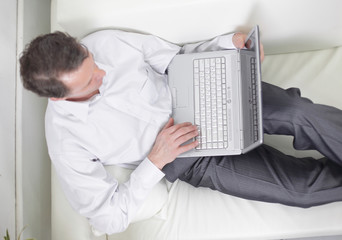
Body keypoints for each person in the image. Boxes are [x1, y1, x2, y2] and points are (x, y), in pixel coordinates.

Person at [19, 29, 342, 234]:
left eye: (93, 63)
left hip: (210, 92)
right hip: (191, 157)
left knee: (302, 115)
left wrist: (228, 45)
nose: (102, 73)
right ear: (58, 96)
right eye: (90, 80)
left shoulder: (105, 43)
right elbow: (106, 219)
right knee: (302, 192)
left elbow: (178, 57)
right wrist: (154, 163)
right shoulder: (66, 142)